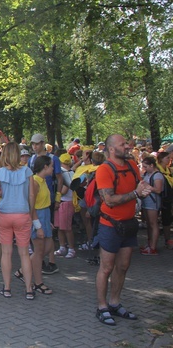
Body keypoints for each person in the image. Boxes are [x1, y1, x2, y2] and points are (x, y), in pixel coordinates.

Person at [94, 134, 152, 326]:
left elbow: (138, 185)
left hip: (128, 224)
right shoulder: (104, 170)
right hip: (110, 225)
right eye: (123, 144)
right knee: (107, 267)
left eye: (127, 143)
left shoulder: (132, 165)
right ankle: (102, 307)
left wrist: (143, 189)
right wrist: (135, 193)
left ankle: (114, 303)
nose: (127, 147)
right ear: (112, 149)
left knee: (123, 266)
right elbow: (109, 200)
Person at [0, 142, 38, 300]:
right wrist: (31, 214)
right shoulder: (27, 171)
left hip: (4, 214)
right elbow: (32, 196)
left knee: (6, 253)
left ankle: (7, 288)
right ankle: (29, 289)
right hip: (22, 214)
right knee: (24, 253)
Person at [15, 155, 54, 296]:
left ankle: (22, 270)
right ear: (45, 167)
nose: (53, 168)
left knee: (48, 247)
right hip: (37, 216)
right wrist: (38, 224)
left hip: (45, 214)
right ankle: (38, 283)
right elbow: (31, 206)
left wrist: (47, 220)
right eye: (51, 166)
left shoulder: (43, 181)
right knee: (38, 252)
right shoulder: (36, 182)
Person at [29, 133, 62, 275]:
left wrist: (58, 198)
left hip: (49, 198)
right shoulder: (32, 159)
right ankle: (38, 261)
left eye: (37, 144)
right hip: (38, 202)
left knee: (48, 235)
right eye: (33, 144)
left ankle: (51, 261)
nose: (35, 146)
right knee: (41, 236)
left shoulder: (53, 159)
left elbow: (60, 178)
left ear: (43, 143)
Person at [53, 153, 77, 259]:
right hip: (62, 202)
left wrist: (55, 193)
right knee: (60, 226)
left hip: (66, 202)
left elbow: (65, 189)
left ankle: (71, 248)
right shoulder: (72, 172)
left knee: (66, 227)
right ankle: (62, 247)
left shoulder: (65, 174)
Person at [139, 155, 163, 255]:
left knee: (153, 224)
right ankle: (149, 244)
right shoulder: (147, 174)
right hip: (147, 201)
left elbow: (158, 189)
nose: (144, 168)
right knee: (149, 224)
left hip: (153, 202)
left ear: (152, 165)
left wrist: (148, 187)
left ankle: (153, 247)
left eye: (146, 166)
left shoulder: (157, 175)